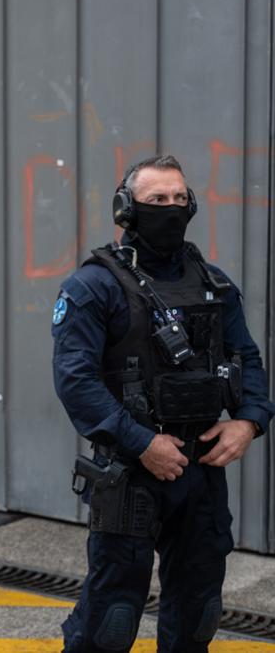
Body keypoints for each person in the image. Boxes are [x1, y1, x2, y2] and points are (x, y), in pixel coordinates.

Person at [52, 154, 274, 652]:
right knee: (110, 621)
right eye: (157, 200)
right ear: (125, 210)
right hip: (130, 474)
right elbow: (76, 382)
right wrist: (143, 442)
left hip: (200, 472)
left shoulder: (214, 284)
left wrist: (250, 421)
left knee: (198, 615)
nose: (171, 208)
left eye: (179, 198)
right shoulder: (93, 286)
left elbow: (248, 357)